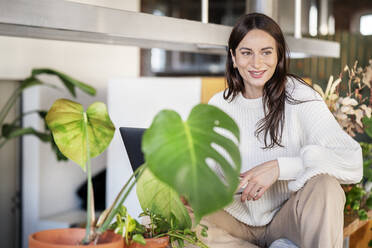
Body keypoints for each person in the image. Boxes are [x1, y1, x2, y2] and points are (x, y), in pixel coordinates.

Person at [206, 13, 363, 248]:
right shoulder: (218, 106)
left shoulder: (299, 96)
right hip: (233, 222)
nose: (257, 63)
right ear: (233, 57)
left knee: (326, 187)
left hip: (286, 220)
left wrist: (280, 168)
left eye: (266, 52)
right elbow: (208, 175)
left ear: (278, 54)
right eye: (246, 53)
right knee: (175, 214)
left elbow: (352, 159)